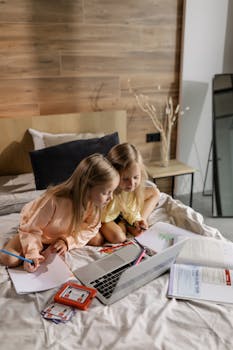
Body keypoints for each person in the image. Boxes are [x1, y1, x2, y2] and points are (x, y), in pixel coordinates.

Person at [0, 154, 119, 272]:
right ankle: (24, 242)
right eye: (106, 192)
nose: (111, 198)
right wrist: (32, 254)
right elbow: (32, 228)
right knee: (8, 259)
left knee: (97, 239)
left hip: (61, 233)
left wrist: (67, 242)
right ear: (86, 187)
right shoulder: (54, 201)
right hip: (36, 230)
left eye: (112, 192)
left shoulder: (95, 204)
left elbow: (91, 228)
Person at [100, 143, 160, 243]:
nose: (131, 184)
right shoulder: (108, 191)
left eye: (136, 177)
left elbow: (130, 206)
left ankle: (139, 221)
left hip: (121, 211)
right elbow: (101, 217)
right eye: (125, 179)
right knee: (119, 238)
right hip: (105, 218)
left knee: (155, 192)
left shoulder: (131, 188)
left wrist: (136, 220)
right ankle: (125, 223)